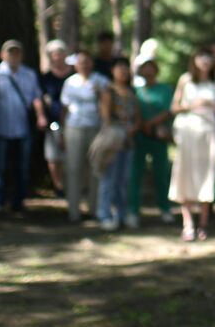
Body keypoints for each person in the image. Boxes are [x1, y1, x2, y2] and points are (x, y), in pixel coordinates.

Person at [0, 39, 45, 215]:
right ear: (3, 55)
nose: (14, 56)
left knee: (22, 167)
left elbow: (36, 97)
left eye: (17, 52)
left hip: (23, 128)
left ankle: (18, 202)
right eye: (10, 52)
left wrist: (40, 116)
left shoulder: (29, 74)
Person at [170, 49, 215, 240]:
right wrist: (193, 105)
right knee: (185, 173)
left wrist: (211, 105)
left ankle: (203, 222)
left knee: (206, 174)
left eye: (208, 57)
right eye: (201, 57)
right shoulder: (185, 80)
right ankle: (187, 223)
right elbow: (174, 107)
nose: (205, 61)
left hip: (208, 132)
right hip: (188, 130)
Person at [129, 42, 174, 227]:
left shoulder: (165, 89)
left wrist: (151, 123)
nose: (148, 71)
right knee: (135, 174)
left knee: (161, 173)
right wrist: (141, 125)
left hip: (158, 136)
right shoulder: (135, 91)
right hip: (139, 137)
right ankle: (133, 210)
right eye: (144, 68)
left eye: (150, 68)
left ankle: (165, 208)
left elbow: (168, 110)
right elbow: (132, 110)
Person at [61, 50, 107, 222]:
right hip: (74, 128)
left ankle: (95, 209)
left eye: (87, 61)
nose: (84, 65)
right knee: (73, 168)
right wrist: (61, 131)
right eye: (80, 62)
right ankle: (73, 210)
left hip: (95, 128)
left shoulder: (101, 81)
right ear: (75, 64)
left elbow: (108, 104)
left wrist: (99, 93)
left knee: (96, 168)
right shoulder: (69, 82)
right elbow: (64, 108)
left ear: (91, 63)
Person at [96, 58, 140, 231]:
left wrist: (133, 129)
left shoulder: (131, 92)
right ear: (112, 70)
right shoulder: (108, 91)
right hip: (112, 140)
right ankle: (105, 214)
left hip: (128, 140)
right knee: (109, 178)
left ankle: (121, 214)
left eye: (125, 68)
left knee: (123, 179)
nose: (123, 71)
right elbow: (105, 117)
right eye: (119, 67)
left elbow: (137, 116)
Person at [38, 39, 70, 196]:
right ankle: (59, 186)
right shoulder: (46, 78)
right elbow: (40, 98)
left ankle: (72, 184)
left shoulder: (74, 74)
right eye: (54, 54)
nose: (57, 57)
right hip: (54, 122)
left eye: (60, 53)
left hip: (73, 122)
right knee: (53, 155)